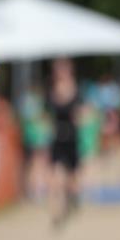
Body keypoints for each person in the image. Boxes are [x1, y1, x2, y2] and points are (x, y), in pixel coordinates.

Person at [47, 57, 82, 227]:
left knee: (72, 175)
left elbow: (80, 112)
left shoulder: (75, 88)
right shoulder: (51, 89)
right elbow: (48, 112)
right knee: (55, 175)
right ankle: (56, 211)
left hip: (72, 136)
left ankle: (72, 199)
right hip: (58, 137)